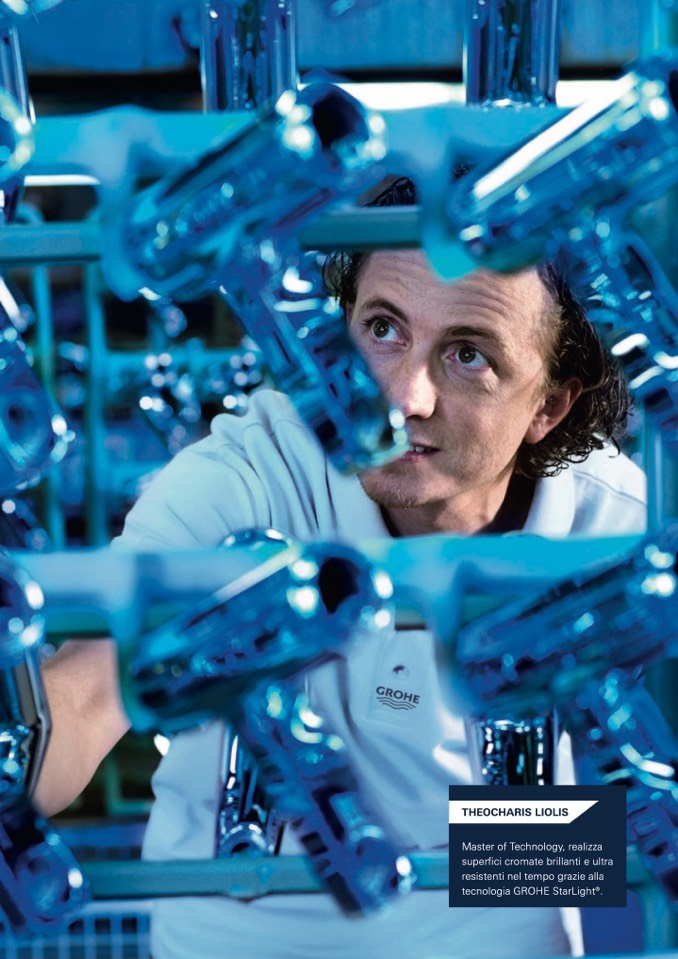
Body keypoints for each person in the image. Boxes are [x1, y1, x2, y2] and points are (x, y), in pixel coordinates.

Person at [35, 176, 646, 958]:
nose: (403, 397)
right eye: (383, 329)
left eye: (468, 355)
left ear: (549, 406)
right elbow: (85, 694)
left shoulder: (615, 530)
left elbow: (634, 833)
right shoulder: (253, 478)